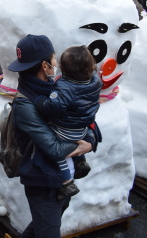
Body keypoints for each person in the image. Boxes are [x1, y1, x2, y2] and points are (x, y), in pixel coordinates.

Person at [8, 35, 97, 238]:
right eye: (54, 59)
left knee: (40, 229)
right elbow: (54, 149)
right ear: (45, 65)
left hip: (63, 178)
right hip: (44, 183)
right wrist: (83, 146)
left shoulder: (58, 89)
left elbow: (85, 120)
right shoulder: (25, 104)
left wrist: (90, 141)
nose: (57, 64)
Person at [33, 46, 101, 199]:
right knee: (73, 144)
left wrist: (40, 101)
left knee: (59, 154)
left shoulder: (65, 87)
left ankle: (67, 182)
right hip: (82, 128)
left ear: (63, 68)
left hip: (65, 130)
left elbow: (53, 107)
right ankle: (80, 160)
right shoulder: (94, 82)